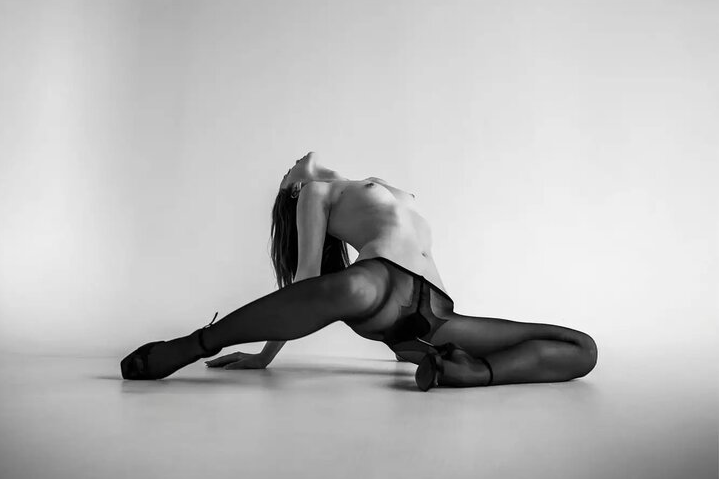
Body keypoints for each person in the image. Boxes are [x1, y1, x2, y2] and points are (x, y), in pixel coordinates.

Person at [120, 151, 598, 391]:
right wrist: (265, 357)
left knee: (582, 348)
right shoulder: (316, 193)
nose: (290, 167)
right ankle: (194, 344)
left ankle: (470, 374)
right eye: (287, 176)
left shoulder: (375, 187)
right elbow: (308, 281)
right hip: (378, 284)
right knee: (344, 289)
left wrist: (407, 347)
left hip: (435, 314)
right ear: (293, 192)